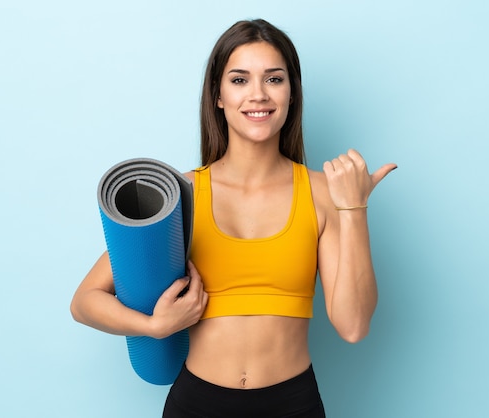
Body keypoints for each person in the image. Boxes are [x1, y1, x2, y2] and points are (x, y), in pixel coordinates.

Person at [71, 18, 396, 417]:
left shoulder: (324, 193)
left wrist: (354, 208)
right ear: (218, 96)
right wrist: (156, 327)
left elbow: (353, 325)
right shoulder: (182, 194)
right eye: (240, 80)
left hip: (293, 405)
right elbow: (84, 302)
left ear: (292, 93)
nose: (258, 95)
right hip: (196, 403)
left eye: (274, 79)